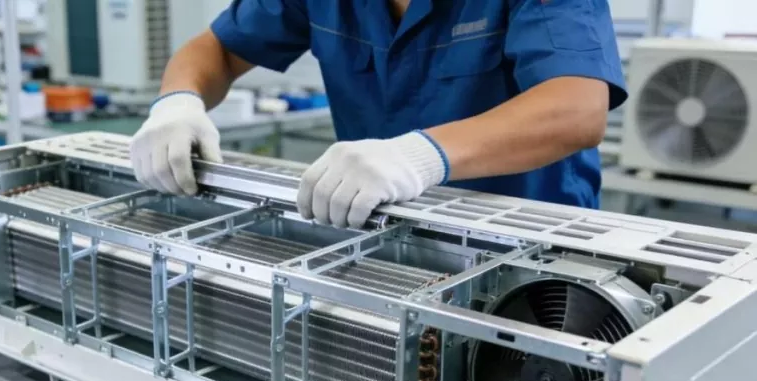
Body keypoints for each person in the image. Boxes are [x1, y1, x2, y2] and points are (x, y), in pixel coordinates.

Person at [131, 0, 626, 228]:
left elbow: (575, 109)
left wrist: (418, 157)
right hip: (382, 233)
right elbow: (218, 47)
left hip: (529, 241)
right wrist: (177, 103)